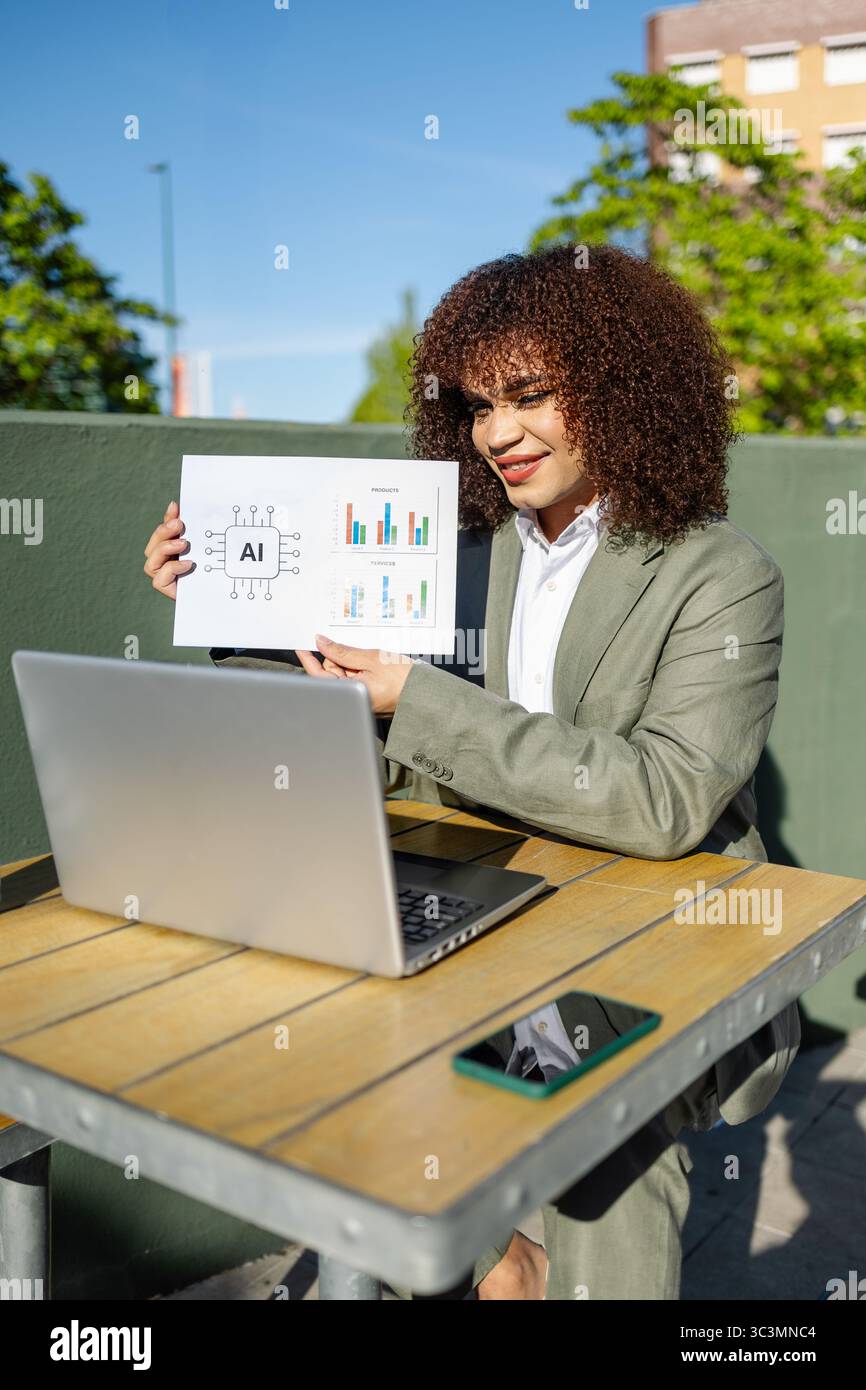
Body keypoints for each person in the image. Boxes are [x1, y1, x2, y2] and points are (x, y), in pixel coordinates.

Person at [143, 243, 800, 1300]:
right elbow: (381, 722)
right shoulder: (458, 551)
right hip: (492, 910)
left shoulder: (720, 575)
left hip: (653, 945)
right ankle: (506, 1266)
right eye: (479, 403)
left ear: (620, 387)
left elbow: (664, 797)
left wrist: (421, 700)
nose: (497, 433)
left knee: (596, 1132)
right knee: (304, 1026)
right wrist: (222, 605)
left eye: (530, 395)